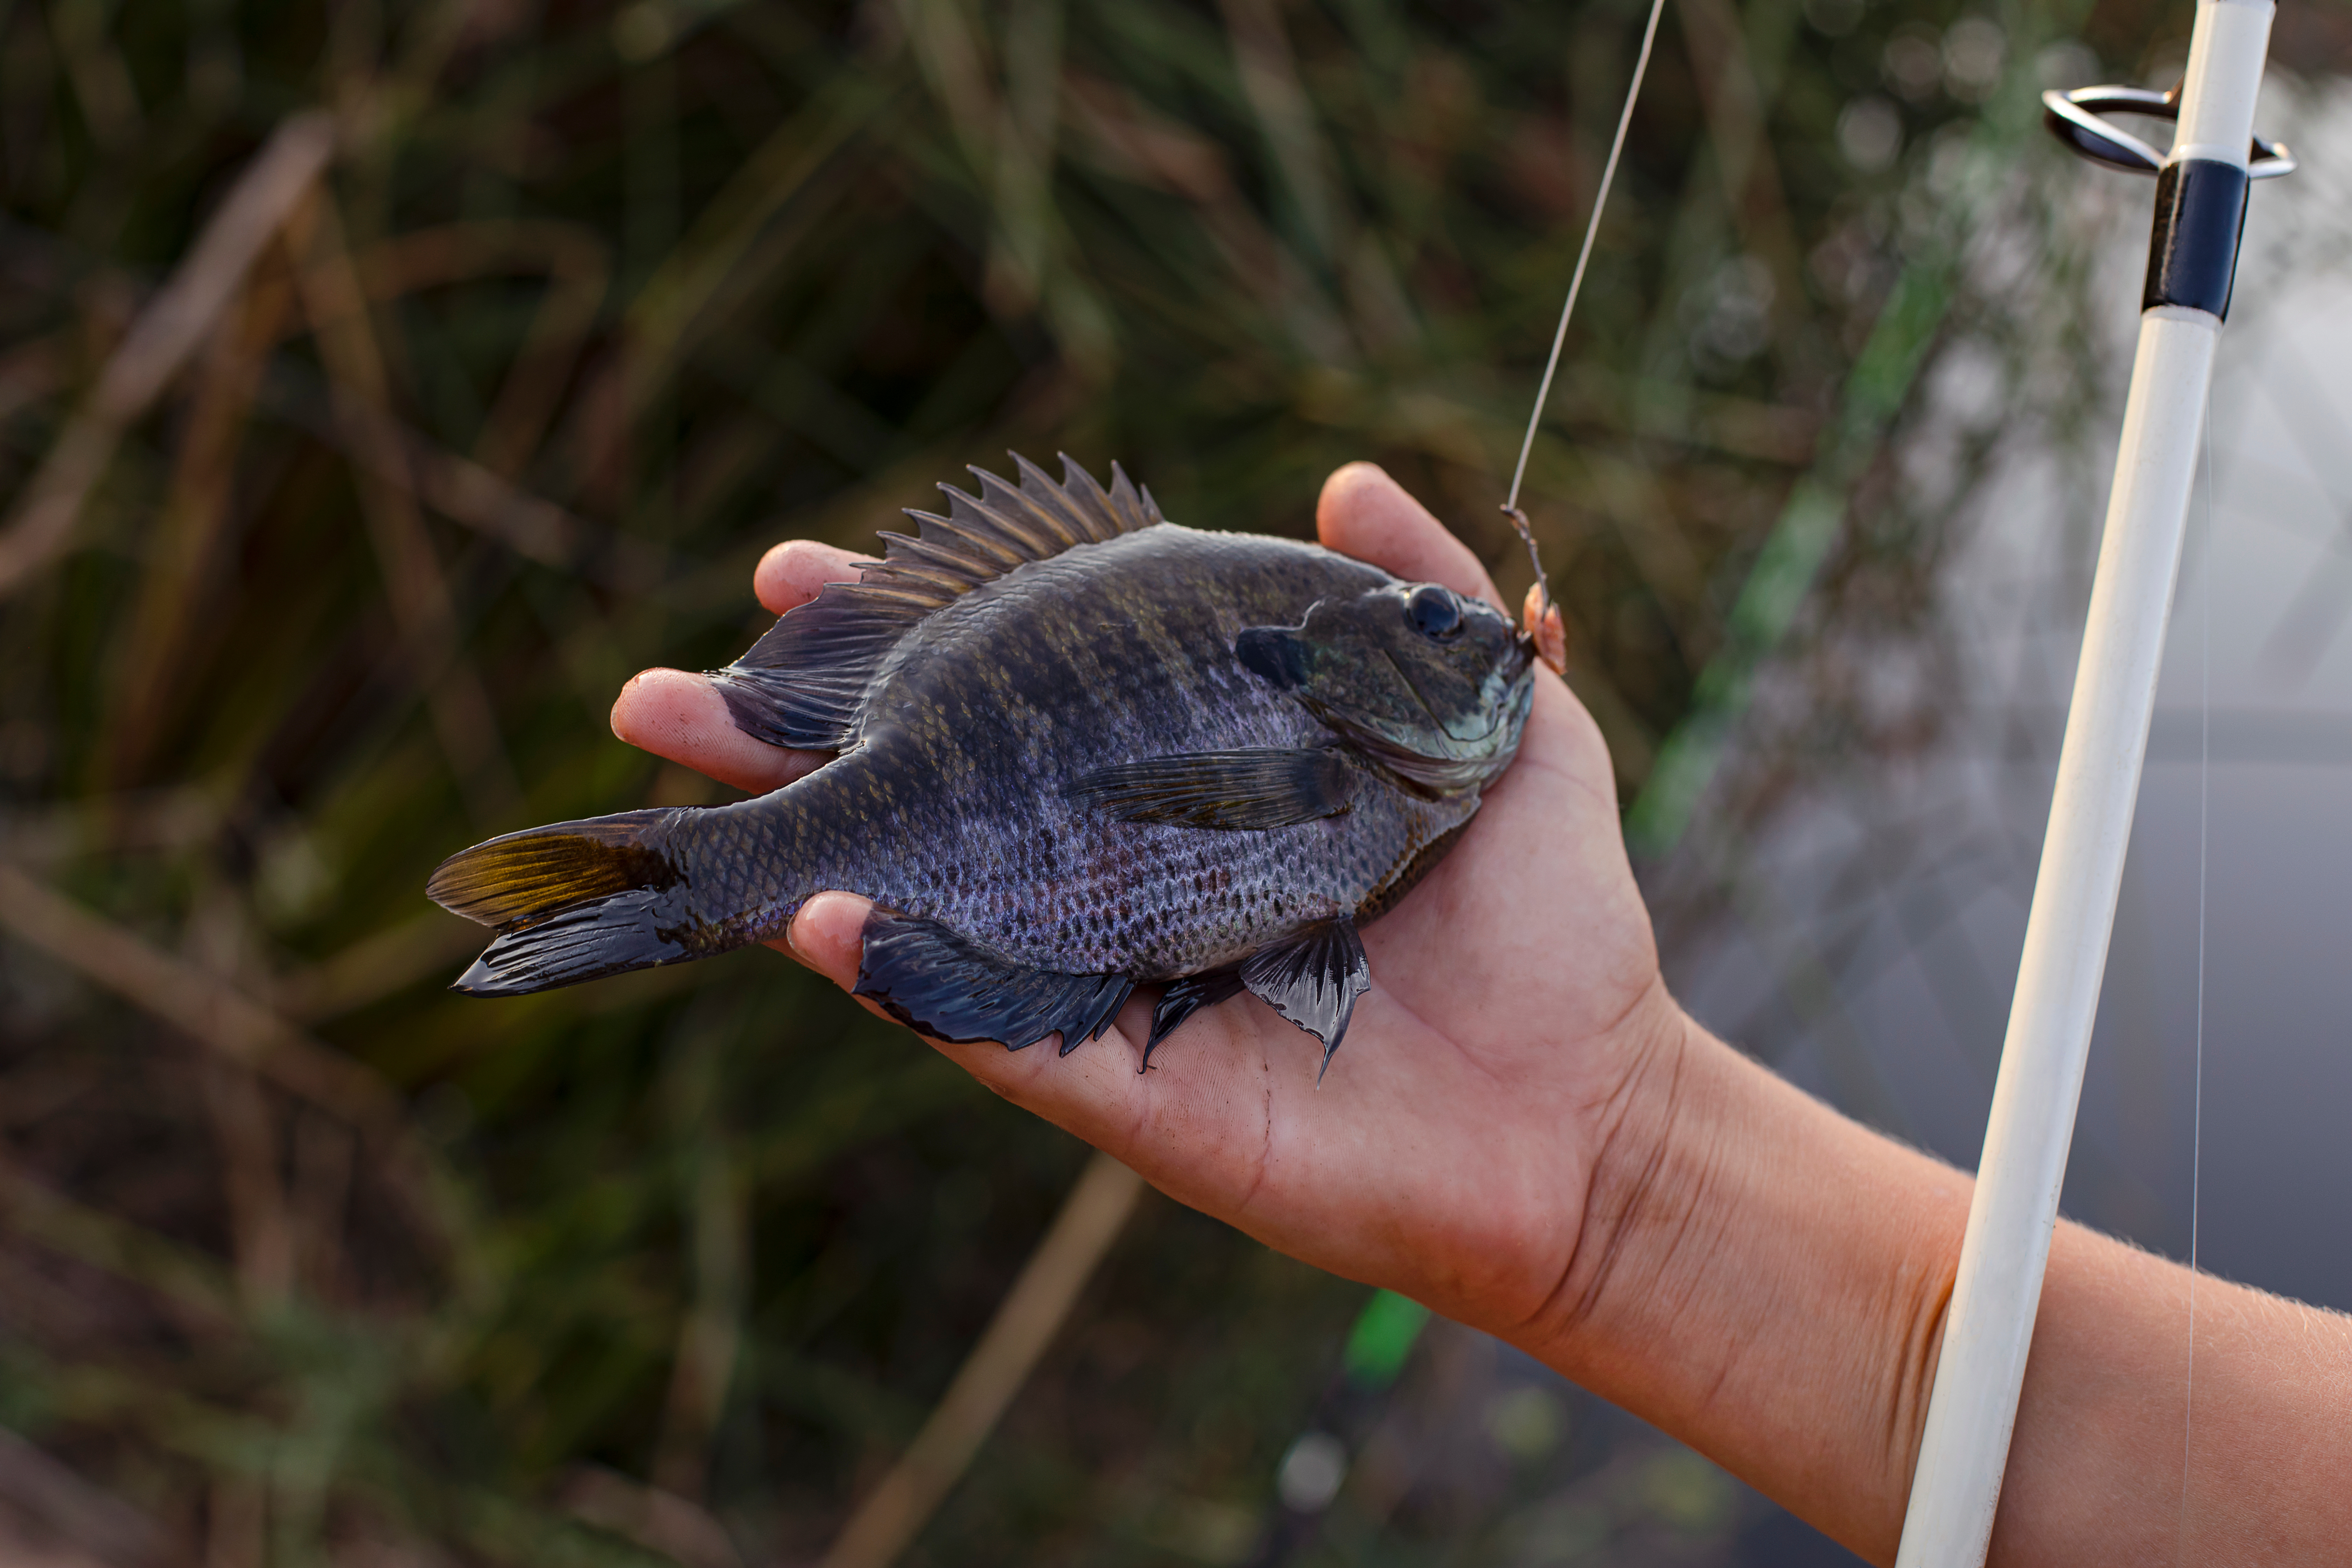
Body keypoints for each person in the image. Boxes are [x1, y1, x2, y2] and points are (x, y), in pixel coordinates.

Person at [611, 462, 2352, 1565]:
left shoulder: (1352, 760)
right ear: (1343, 673)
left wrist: (1622, 1180)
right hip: (942, 825)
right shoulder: (1313, 739)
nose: (1488, 650)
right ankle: (688, 879)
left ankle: (674, 883)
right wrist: (1626, 1171)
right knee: (775, 850)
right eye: (1441, 635)